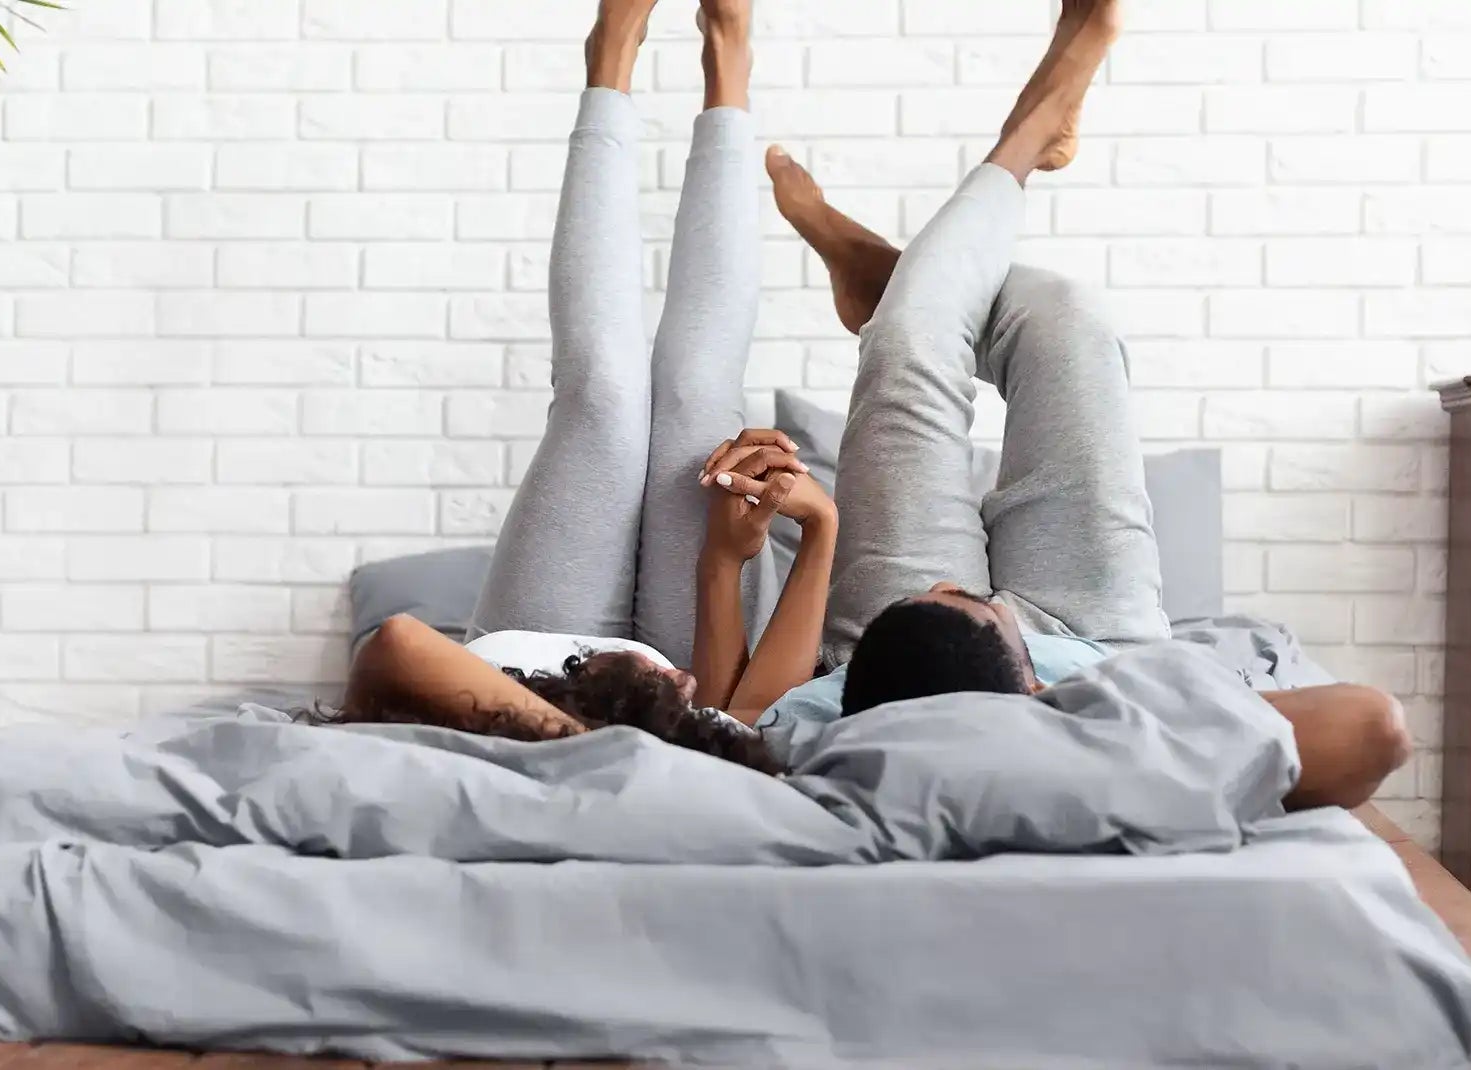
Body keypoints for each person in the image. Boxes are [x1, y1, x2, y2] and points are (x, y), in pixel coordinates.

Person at [688, 0, 1409, 810]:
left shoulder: (842, 734)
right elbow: (1377, 726)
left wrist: (819, 534)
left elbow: (732, 717)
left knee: (908, 348)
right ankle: (900, 271)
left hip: (896, 662)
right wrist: (1129, 726)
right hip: (1104, 647)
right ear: (1035, 692)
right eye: (965, 595)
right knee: (1065, 320)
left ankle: (1008, 160)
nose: (973, 588)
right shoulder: (1127, 733)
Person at [325, 0, 831, 775]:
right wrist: (815, 528)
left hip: (521, 666)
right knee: (697, 396)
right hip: (685, 678)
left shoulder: (606, 771)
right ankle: (728, 66)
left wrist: (596, 753)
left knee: (601, 394)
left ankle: (610, 63)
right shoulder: (715, 778)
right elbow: (753, 715)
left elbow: (396, 644)